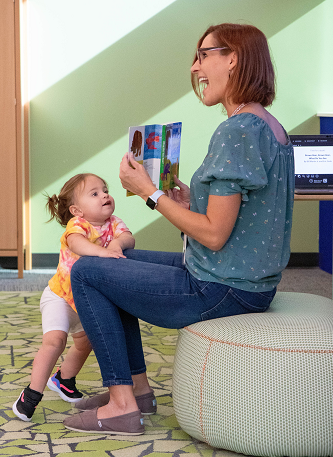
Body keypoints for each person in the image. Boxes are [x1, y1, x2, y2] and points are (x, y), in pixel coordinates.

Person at [62, 23, 294, 436]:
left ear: (234, 58)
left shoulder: (236, 130)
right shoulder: (267, 126)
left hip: (222, 288)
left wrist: (151, 193)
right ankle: (138, 390)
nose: (195, 66)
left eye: (204, 55)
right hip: (244, 281)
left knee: (87, 271)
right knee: (121, 257)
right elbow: (243, 216)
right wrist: (188, 200)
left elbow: (213, 235)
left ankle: (122, 406)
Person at [12, 173, 135, 421]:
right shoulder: (77, 226)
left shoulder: (114, 223)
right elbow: (77, 244)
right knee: (55, 342)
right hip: (60, 297)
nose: (105, 195)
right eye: (95, 193)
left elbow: (129, 237)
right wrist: (102, 252)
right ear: (77, 210)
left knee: (85, 343)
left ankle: (64, 379)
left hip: (86, 301)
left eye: (105, 189)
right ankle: (31, 394)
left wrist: (118, 244)